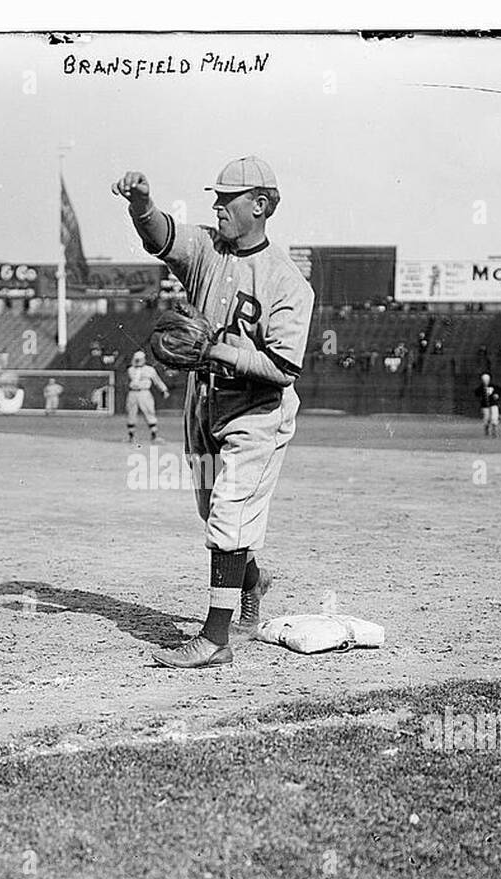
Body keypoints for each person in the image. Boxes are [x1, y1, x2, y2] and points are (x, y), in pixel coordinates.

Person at [114, 156, 312, 668]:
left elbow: (283, 368)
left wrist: (214, 351)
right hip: (204, 404)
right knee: (213, 512)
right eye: (216, 198)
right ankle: (252, 580)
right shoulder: (206, 249)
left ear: (260, 205)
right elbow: (161, 235)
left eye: (228, 198)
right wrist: (142, 206)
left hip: (256, 412)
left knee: (228, 513)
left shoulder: (288, 282)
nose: (218, 206)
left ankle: (215, 639)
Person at [124, 350, 169, 445]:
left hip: (144, 392)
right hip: (133, 393)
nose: (137, 361)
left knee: (149, 411)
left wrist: (164, 390)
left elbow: (157, 380)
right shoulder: (131, 369)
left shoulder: (149, 369)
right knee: (131, 412)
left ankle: (154, 435)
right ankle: (131, 436)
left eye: (139, 359)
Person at [475, 372, 501, 437]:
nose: (486, 381)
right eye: (484, 380)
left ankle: (494, 431)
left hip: (493, 404)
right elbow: (477, 394)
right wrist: (482, 394)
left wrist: (497, 395)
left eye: (487, 380)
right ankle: (486, 428)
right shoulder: (480, 388)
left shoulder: (494, 387)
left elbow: (499, 391)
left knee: (494, 417)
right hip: (485, 406)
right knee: (487, 418)